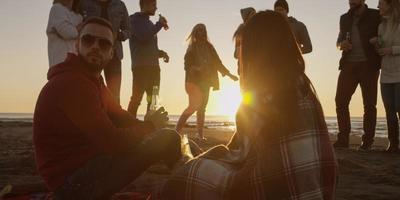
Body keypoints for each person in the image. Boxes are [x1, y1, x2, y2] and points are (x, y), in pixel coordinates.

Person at [158, 11, 337, 200]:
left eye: (241, 49)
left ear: (254, 53)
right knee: (196, 152)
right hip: (317, 191)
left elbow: (241, 164)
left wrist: (193, 163)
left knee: (182, 174)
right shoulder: (305, 90)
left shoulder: (260, 98)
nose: (237, 57)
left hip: (270, 187)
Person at [33, 17, 181, 199]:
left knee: (165, 137)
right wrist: (150, 127)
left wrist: (150, 126)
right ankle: (184, 179)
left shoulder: (92, 80)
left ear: (111, 53)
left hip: (86, 167)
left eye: (104, 44)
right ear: (77, 44)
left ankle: (181, 174)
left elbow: (119, 116)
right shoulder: (72, 83)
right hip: (72, 184)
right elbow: (113, 142)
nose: (96, 46)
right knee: (168, 138)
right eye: (89, 40)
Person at [175, 24, 239, 141]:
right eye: (199, 30)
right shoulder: (192, 48)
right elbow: (187, 66)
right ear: (195, 33)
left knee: (202, 108)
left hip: (206, 82)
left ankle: (199, 135)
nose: (201, 33)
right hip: (193, 81)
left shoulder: (209, 47)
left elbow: (218, 63)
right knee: (193, 107)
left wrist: (229, 75)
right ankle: (176, 131)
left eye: (203, 30)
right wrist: (197, 69)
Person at [334, 0, 381, 150]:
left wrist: (379, 41)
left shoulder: (375, 15)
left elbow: (386, 31)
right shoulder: (344, 18)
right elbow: (338, 40)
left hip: (369, 65)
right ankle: (343, 140)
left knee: (369, 104)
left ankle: (367, 142)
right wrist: (341, 44)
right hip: (348, 65)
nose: (351, 2)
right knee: (340, 101)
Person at [80, 0, 130, 104]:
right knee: (85, 91)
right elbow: (75, 20)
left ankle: (114, 120)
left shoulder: (120, 5)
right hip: (89, 55)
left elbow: (129, 30)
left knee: (114, 96)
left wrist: (119, 35)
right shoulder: (84, 3)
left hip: (113, 55)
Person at [127, 0, 170, 118]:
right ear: (144, 5)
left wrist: (162, 53)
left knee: (153, 101)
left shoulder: (149, 23)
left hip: (154, 69)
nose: (156, 8)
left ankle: (148, 129)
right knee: (136, 99)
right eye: (153, 5)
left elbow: (149, 47)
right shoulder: (133, 20)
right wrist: (159, 24)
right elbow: (143, 37)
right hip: (141, 68)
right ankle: (127, 125)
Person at [370, 0, 400, 152]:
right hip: (386, 73)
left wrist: (392, 50)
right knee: (389, 109)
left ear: (391, 5)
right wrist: (377, 44)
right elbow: (381, 49)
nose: (378, 7)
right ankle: (393, 144)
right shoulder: (381, 26)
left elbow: (390, 49)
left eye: (381, 3)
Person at [47, 0, 83, 67]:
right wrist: (80, 28)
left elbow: (84, 33)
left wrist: (77, 28)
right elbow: (68, 32)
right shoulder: (56, 8)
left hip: (76, 66)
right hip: (60, 65)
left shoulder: (79, 17)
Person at [233, 7, 256, 77]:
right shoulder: (241, 32)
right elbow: (236, 54)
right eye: (252, 14)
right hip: (246, 70)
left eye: (255, 13)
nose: (255, 15)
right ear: (247, 17)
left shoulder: (259, 30)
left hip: (258, 70)